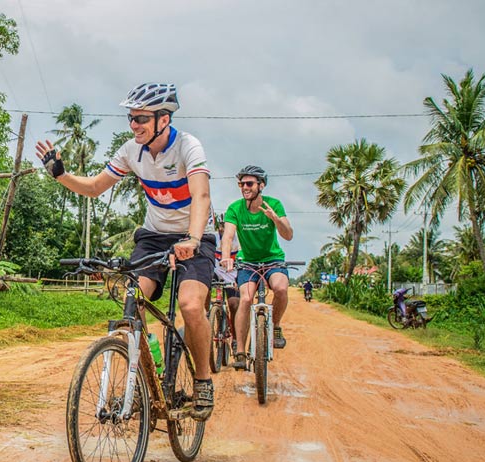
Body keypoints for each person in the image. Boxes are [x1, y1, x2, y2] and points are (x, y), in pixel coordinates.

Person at [35, 82, 216, 420]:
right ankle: (151, 372)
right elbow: (94, 187)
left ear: (164, 119)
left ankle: (203, 381)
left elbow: (201, 197)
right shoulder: (130, 151)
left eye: (141, 119)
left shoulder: (189, 146)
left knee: (191, 306)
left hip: (195, 235)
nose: (134, 126)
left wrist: (192, 240)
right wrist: (60, 174)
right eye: (131, 119)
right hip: (154, 236)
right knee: (133, 302)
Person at [220, 165, 293, 370]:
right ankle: (241, 352)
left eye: (249, 183)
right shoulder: (235, 208)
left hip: (273, 260)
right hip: (248, 262)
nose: (245, 187)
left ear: (261, 185)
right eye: (241, 184)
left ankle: (275, 326)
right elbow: (228, 236)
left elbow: (288, 235)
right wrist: (226, 257)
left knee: (280, 288)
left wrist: (276, 219)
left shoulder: (274, 204)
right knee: (245, 298)